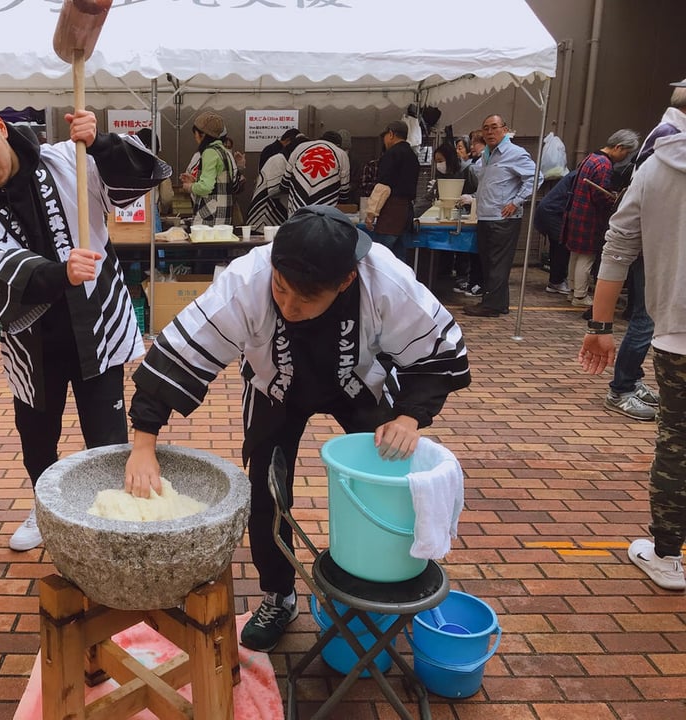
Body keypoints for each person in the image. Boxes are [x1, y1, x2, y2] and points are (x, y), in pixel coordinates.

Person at [123, 205, 471, 651]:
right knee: (266, 491)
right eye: (281, 289)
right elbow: (183, 352)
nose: (289, 306)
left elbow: (439, 349)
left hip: (358, 380)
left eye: (306, 300)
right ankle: (279, 594)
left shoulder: (384, 278)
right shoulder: (246, 281)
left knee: (387, 478)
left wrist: (409, 417)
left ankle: (377, 582)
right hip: (275, 385)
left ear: (346, 280)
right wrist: (144, 442)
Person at [0, 93, 168, 552]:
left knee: (107, 437)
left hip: (98, 328)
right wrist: (60, 272)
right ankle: (44, 507)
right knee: (38, 436)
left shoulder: (65, 159)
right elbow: (0, 268)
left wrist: (100, 145)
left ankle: (111, 518)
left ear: (0, 127)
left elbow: (135, 181)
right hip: (33, 342)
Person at [577, 126, 686, 592]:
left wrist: (601, 328)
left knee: (677, 444)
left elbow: (618, 245)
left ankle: (666, 556)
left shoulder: (658, 164)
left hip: (678, 333)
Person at [599, 82, 686, 422]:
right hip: (656, 267)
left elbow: (620, 238)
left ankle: (627, 382)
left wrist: (599, 326)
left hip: (671, 313)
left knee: (674, 437)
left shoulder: (655, 154)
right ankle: (623, 385)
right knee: (642, 320)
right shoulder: (656, 155)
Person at [463, 115, 539, 317]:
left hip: (503, 219)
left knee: (497, 263)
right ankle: (498, 303)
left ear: (504, 130)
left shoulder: (514, 153)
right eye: (486, 128)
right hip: (486, 215)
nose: (489, 132)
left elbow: (536, 176)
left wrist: (516, 202)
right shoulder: (486, 155)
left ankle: (492, 305)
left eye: (494, 127)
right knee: (489, 262)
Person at [561, 130, 640, 309]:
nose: (625, 157)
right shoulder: (604, 164)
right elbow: (600, 195)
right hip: (589, 217)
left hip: (576, 212)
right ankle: (580, 296)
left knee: (575, 254)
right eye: (626, 153)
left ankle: (573, 290)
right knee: (587, 256)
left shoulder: (591, 157)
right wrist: (613, 200)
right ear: (618, 147)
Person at [363, 120, 420, 263]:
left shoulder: (391, 154)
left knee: (380, 257)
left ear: (391, 134)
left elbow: (383, 188)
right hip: (406, 213)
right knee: (399, 259)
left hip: (390, 214)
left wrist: (371, 214)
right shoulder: (413, 156)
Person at [427, 140, 478, 286]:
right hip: (448, 215)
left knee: (464, 248)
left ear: (449, 159)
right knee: (445, 247)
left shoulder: (469, 170)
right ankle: (445, 273)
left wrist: (472, 198)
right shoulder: (442, 173)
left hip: (468, 217)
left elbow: (484, 191)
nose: (438, 164)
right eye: (436, 161)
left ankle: (465, 276)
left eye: (440, 160)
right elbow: (430, 196)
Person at [180, 111, 240, 226]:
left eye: (195, 134)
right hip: (224, 215)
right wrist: (195, 180)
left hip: (209, 215)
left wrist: (190, 186)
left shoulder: (209, 152)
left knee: (202, 243)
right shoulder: (225, 152)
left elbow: (206, 187)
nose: (195, 138)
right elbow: (221, 184)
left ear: (202, 134)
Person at [245, 131, 307, 232]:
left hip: (276, 219)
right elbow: (274, 191)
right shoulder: (278, 160)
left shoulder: (287, 161)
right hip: (264, 216)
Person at [280, 130, 350, 215]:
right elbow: (344, 193)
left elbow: (284, 185)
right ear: (338, 145)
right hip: (324, 215)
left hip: (297, 213)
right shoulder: (341, 154)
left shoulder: (300, 148)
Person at [136, 128, 174, 231]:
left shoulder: (126, 164)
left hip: (127, 214)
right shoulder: (160, 165)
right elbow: (167, 197)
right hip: (152, 212)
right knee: (155, 244)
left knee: (130, 245)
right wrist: (163, 210)